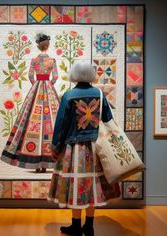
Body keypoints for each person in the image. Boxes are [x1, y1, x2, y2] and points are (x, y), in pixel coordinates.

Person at [47, 61, 120, 236]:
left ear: (74, 75)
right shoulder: (100, 95)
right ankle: (89, 226)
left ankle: (75, 225)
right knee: (93, 186)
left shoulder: (69, 95)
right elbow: (109, 120)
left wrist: (55, 145)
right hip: (96, 148)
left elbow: (61, 124)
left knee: (76, 184)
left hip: (74, 149)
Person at [1, 33, 60, 173]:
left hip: (37, 87)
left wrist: (36, 85)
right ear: (48, 45)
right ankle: (47, 162)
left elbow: (30, 75)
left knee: (31, 118)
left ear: (38, 45)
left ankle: (34, 162)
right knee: (51, 120)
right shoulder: (52, 60)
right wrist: (50, 84)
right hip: (48, 88)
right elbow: (56, 76)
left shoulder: (34, 60)